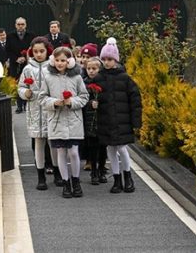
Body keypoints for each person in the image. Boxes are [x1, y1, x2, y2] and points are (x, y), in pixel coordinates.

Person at [92, 37, 142, 193]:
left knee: (122, 148)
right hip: (105, 120)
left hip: (122, 121)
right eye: (104, 59)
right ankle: (116, 179)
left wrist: (136, 122)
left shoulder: (125, 78)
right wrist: (93, 104)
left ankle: (128, 176)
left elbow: (135, 100)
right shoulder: (99, 78)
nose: (107, 62)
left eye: (110, 59)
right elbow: (92, 96)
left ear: (116, 60)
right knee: (110, 150)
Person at [41, 46, 88, 198]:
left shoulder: (77, 77)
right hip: (56, 120)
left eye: (63, 60)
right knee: (61, 152)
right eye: (57, 60)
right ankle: (65, 182)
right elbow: (42, 98)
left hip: (73, 120)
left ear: (70, 61)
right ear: (53, 61)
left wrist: (71, 102)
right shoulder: (48, 77)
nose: (60, 63)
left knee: (74, 152)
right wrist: (55, 102)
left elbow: (84, 96)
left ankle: (76, 180)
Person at [18, 36, 58, 190]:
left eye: (41, 51)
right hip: (35, 110)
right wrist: (25, 93)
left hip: (50, 109)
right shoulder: (28, 69)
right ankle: (40, 176)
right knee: (39, 142)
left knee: (53, 142)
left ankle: (57, 172)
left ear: (47, 51)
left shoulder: (52, 67)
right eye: (35, 51)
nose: (39, 54)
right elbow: (20, 87)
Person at [6, 17, 35, 113]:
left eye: (22, 24)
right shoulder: (10, 36)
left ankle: (27, 104)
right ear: (15, 25)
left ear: (25, 25)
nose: (20, 26)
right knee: (18, 84)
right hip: (15, 65)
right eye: (18, 24)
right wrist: (16, 59)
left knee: (28, 83)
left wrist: (26, 57)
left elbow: (33, 49)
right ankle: (19, 105)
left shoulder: (31, 35)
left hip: (28, 64)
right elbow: (8, 50)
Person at [82, 57, 103, 185]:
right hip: (89, 119)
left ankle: (101, 169)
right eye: (88, 68)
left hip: (101, 119)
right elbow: (81, 99)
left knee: (102, 147)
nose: (91, 71)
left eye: (94, 69)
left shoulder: (103, 82)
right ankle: (94, 170)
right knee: (92, 146)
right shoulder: (84, 83)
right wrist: (90, 103)